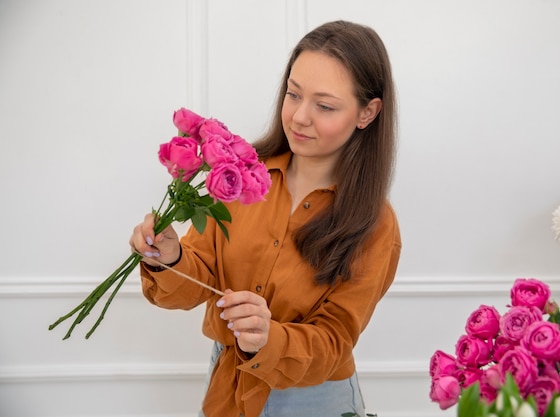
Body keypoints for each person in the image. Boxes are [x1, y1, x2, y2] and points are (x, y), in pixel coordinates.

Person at [130, 20, 401, 417]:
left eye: (324, 106)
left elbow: (334, 340)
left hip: (316, 398)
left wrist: (270, 338)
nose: (299, 117)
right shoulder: (238, 177)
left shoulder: (375, 225)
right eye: (293, 94)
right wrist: (169, 258)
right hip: (229, 386)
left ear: (368, 112)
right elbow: (195, 280)